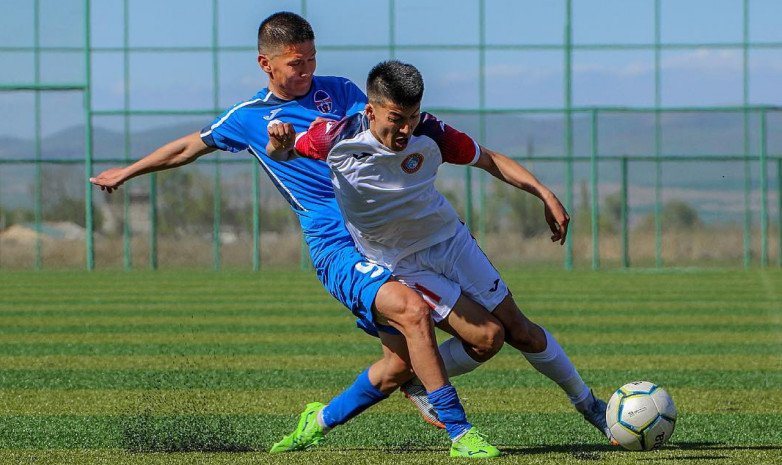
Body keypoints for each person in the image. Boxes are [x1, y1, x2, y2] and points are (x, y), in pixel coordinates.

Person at [88, 12, 502, 457]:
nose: (306, 70)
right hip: (335, 245)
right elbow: (189, 146)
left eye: (311, 59)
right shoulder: (250, 116)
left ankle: (317, 421)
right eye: (295, 63)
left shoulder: (340, 90)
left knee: (403, 364)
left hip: (384, 236)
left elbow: (378, 133)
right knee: (413, 312)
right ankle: (461, 432)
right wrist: (128, 171)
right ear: (266, 64)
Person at [266, 60, 612, 454]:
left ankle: (589, 405)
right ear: (370, 111)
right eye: (396, 119)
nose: (405, 129)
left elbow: (490, 159)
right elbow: (282, 153)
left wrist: (544, 194)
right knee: (468, 332)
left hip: (451, 242)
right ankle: (460, 433)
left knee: (511, 333)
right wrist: (279, 142)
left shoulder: (431, 132)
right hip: (402, 263)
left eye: (412, 117)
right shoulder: (335, 137)